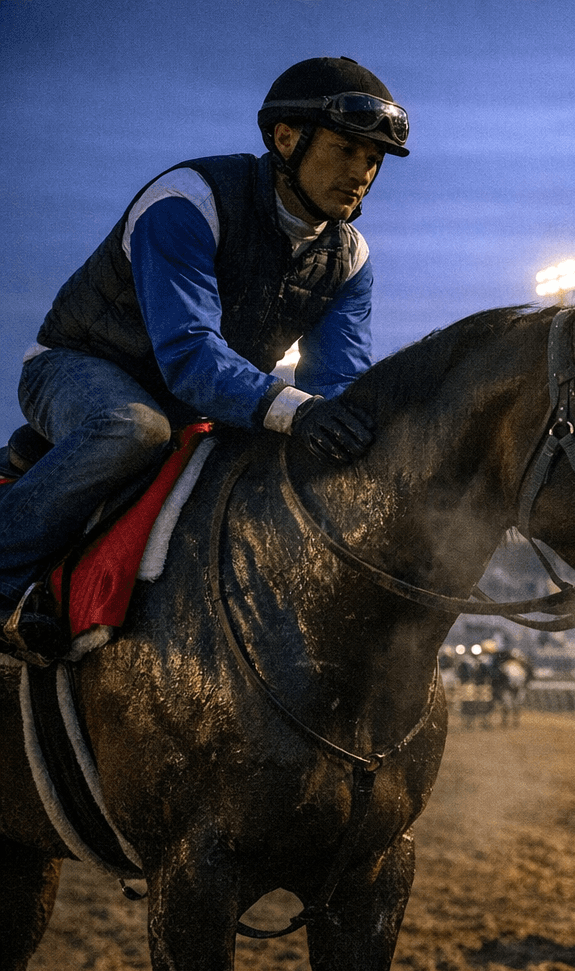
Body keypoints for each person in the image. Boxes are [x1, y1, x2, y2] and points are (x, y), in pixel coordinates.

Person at [0, 56, 407, 660]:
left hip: (201, 393)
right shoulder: (188, 201)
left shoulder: (350, 257)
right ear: (285, 138)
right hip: (75, 368)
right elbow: (189, 357)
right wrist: (296, 411)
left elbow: (337, 383)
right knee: (134, 426)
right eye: (346, 150)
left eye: (372, 160)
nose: (362, 173)